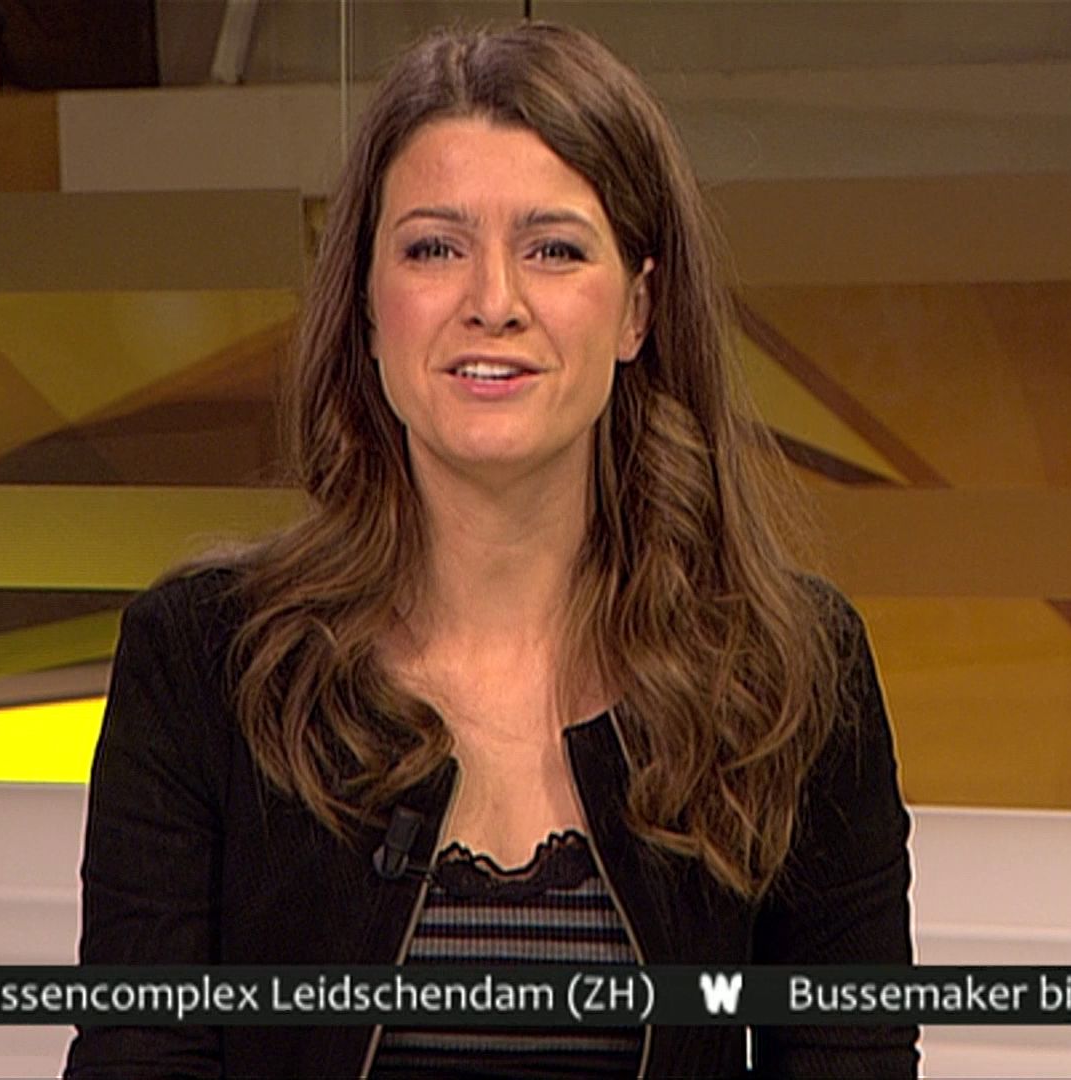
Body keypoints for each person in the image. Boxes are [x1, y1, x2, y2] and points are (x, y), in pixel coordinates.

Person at [63, 21, 916, 1079]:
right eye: (435, 248)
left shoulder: (787, 673)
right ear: (367, 307)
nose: (493, 303)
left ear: (638, 309)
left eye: (554, 249)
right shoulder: (205, 664)